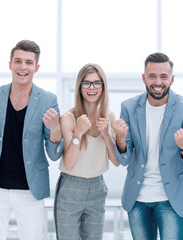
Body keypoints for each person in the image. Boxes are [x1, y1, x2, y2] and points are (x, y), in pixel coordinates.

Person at [111, 52, 183, 240]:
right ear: (144, 78)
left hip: (171, 199)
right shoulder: (128, 107)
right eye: (152, 76)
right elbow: (124, 159)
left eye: (163, 76)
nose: (157, 82)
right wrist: (119, 139)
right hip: (137, 199)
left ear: (172, 79)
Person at [0, 40, 63, 240]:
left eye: (28, 62)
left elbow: (54, 154)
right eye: (18, 61)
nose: (22, 67)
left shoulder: (48, 100)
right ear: (10, 64)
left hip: (30, 188)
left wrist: (55, 129)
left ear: (36, 68)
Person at [54, 63, 120, 239]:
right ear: (79, 87)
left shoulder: (109, 116)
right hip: (71, 187)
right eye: (87, 83)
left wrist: (106, 135)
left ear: (103, 87)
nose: (92, 88)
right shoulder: (68, 118)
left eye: (97, 83)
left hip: (97, 187)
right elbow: (68, 163)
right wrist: (78, 134)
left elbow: (116, 161)